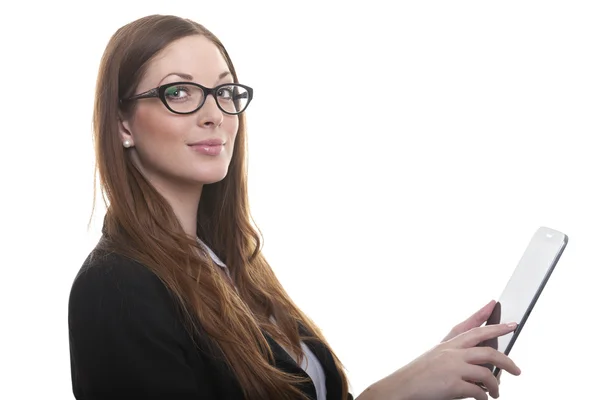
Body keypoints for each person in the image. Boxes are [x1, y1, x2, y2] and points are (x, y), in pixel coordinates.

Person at [67, 14, 521, 400]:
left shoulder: (233, 265)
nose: (214, 114)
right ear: (123, 124)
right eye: (179, 92)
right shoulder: (115, 288)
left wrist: (433, 373)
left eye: (225, 92)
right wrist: (392, 393)